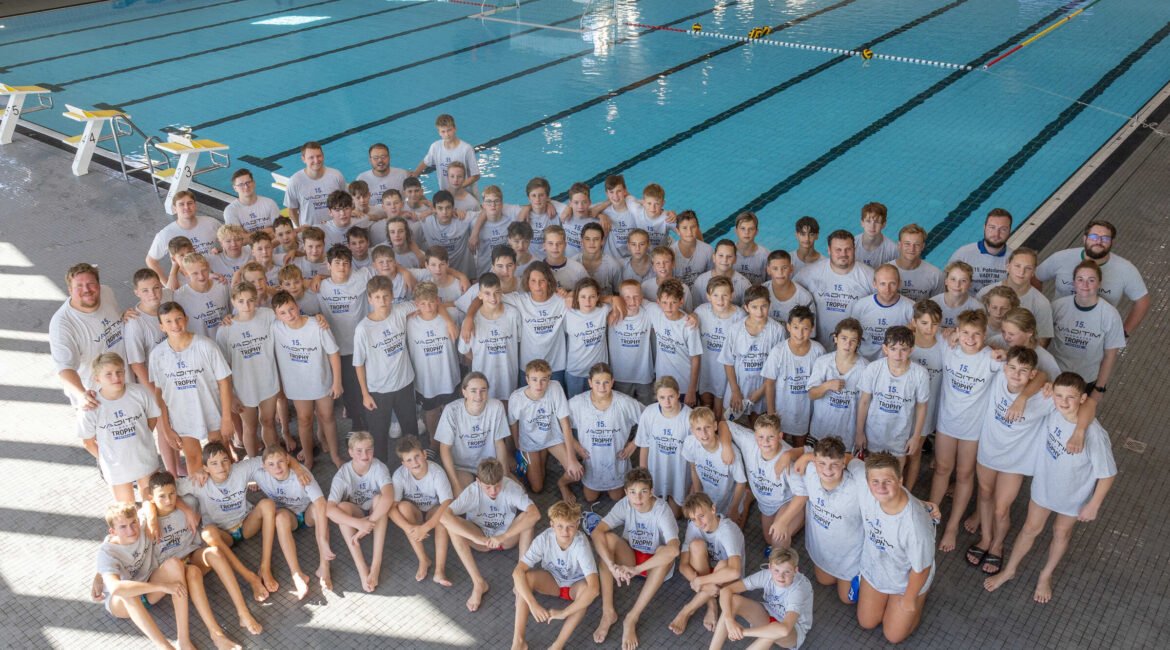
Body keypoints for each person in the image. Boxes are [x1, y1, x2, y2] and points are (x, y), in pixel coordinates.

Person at [983, 372, 1115, 603]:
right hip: (1045, 486)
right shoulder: (1053, 409)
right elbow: (1041, 383)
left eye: (1071, 397)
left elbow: (1108, 474)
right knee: (1029, 529)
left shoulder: (1094, 434)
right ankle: (1010, 569)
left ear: (1082, 399)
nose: (1064, 402)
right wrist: (1046, 388)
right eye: (1059, 395)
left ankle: (1046, 575)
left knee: (1061, 533)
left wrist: (1094, 504)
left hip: (1074, 495)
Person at [138, 470, 261, 646]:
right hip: (172, 571)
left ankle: (243, 613)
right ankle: (216, 634)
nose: (168, 500)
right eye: (162, 497)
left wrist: (204, 472)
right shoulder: (145, 521)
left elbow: (207, 482)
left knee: (215, 553)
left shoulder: (189, 503)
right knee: (193, 573)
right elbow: (118, 540)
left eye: (172, 494)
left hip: (192, 555)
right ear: (151, 498)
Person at [930, 309, 1014, 553]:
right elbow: (922, 328)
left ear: (985, 334)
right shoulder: (949, 347)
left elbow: (1021, 368)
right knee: (943, 470)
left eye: (976, 334)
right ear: (957, 332)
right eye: (964, 332)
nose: (970, 338)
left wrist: (1007, 355)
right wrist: (945, 332)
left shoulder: (992, 358)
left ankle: (952, 526)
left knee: (965, 475)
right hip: (947, 423)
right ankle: (932, 516)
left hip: (973, 429)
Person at [970, 347, 1058, 576]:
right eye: (1012, 368)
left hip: (1015, 462)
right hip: (989, 452)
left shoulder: (1044, 397)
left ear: (1032, 374)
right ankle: (986, 538)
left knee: (1001, 509)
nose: (1016, 374)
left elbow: (1077, 402)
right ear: (1005, 368)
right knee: (985, 494)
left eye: (1023, 370)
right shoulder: (999, 377)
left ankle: (998, 544)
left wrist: (1040, 389)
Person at [176, 442, 291, 600]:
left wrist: (297, 468)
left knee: (268, 504)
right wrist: (186, 510)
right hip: (223, 536)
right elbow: (163, 490)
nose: (221, 467)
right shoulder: (199, 481)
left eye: (224, 460)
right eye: (214, 463)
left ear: (230, 461)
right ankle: (250, 577)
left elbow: (273, 457)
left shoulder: (240, 469)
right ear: (206, 468)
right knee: (207, 533)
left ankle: (265, 567)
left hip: (245, 525)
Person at [856, 452, 936, 643]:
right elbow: (849, 461)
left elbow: (921, 568)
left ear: (900, 481)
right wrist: (802, 456)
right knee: (867, 622)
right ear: (867, 482)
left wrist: (909, 599)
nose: (881, 487)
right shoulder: (863, 482)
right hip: (877, 566)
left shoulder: (915, 526)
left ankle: (921, 596)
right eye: (875, 481)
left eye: (888, 481)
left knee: (893, 636)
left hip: (907, 578)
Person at [442, 458, 540, 612]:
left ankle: (520, 582)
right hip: (482, 539)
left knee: (528, 520)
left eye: (497, 486)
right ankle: (478, 582)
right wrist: (477, 538)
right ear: (478, 482)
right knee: (452, 526)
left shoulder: (511, 487)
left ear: (502, 479)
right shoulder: (472, 491)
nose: (493, 492)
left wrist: (502, 537)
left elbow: (535, 514)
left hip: (506, 538)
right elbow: (444, 517)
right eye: (487, 487)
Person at [148, 302, 233, 475]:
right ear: (161, 326)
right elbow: (159, 393)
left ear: (186, 319)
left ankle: (228, 495)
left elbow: (224, 382)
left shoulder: (206, 346)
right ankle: (201, 497)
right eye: (169, 321)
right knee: (193, 459)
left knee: (221, 456)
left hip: (211, 411)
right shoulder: (157, 355)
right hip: (182, 416)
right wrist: (165, 427)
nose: (175, 325)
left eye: (179, 319)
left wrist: (226, 418)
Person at [94, 502, 194, 649]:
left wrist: (152, 518)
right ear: (113, 531)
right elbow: (115, 588)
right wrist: (163, 586)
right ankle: (166, 647)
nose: (131, 530)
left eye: (133, 522)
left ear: (138, 519)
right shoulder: (107, 553)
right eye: (123, 527)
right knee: (127, 591)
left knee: (175, 564)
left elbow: (147, 502)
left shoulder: (142, 525)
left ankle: (184, 641)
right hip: (122, 603)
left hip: (147, 590)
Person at [783, 437, 865, 604]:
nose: (827, 470)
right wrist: (801, 455)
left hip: (850, 554)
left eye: (834, 464)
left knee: (847, 599)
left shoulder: (858, 486)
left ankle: (860, 574)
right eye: (822, 464)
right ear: (815, 461)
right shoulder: (811, 470)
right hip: (822, 547)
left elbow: (886, 490)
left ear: (844, 463)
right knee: (824, 580)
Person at [511, 501, 600, 650]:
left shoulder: (581, 545)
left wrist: (564, 613)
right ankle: (518, 641)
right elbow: (517, 572)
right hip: (552, 580)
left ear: (577, 526)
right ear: (552, 526)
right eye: (560, 526)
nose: (565, 531)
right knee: (525, 579)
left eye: (570, 526)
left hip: (575, 586)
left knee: (586, 594)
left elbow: (594, 589)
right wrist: (532, 603)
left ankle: (557, 646)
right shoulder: (544, 539)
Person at [1034, 219, 1149, 335]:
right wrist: (1040, 310)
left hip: (1095, 335)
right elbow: (1036, 277)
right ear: (1085, 238)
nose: (1099, 241)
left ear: (1112, 242)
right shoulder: (1061, 258)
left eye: (1105, 238)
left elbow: (1142, 302)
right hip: (1056, 327)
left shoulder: (1125, 269)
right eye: (1094, 237)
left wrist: (1123, 333)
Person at [270, 289, 343, 470]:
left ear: (297, 306)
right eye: (283, 313)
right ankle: (309, 457)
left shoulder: (317, 325)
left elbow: (333, 353)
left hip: (321, 380)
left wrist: (337, 381)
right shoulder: (275, 328)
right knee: (304, 420)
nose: (289, 315)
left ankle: (334, 454)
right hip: (297, 384)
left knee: (327, 416)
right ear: (276, 315)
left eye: (291, 309)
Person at [353, 274, 420, 463]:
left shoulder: (400, 311)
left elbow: (425, 302)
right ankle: (381, 472)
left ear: (392, 296)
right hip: (378, 390)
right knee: (379, 435)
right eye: (377, 297)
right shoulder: (363, 329)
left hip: (404, 384)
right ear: (370, 299)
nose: (382, 301)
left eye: (385, 296)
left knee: (410, 430)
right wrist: (365, 394)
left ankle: (413, 466)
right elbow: (358, 364)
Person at [252, 445, 333, 598]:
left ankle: (324, 567)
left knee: (319, 510)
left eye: (281, 461)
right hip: (288, 516)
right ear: (264, 467)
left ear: (288, 460)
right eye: (271, 464)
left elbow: (321, 504)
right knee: (279, 518)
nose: (277, 467)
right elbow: (233, 471)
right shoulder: (259, 474)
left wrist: (323, 541)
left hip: (307, 513)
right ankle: (297, 574)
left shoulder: (301, 475)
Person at [79, 353, 160, 503]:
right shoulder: (91, 406)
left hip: (145, 459)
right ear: (97, 379)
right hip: (116, 468)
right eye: (108, 374)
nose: (116, 377)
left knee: (152, 505)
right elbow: (88, 442)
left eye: (119, 372)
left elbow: (152, 417)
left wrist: (143, 439)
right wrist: (108, 458)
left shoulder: (139, 393)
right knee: (126, 509)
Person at [51, 263, 129, 417]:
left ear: (98, 285)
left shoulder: (106, 293)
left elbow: (116, 320)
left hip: (125, 383)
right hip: (96, 396)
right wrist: (82, 395)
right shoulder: (62, 324)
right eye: (79, 286)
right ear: (70, 290)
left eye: (91, 283)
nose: (86, 290)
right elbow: (65, 369)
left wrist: (125, 317)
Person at [215, 282, 280, 457]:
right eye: (241, 301)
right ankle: (253, 465)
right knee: (249, 427)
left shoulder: (267, 315)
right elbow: (224, 368)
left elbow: (289, 319)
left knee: (268, 421)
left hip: (267, 380)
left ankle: (273, 459)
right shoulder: (225, 330)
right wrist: (232, 395)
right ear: (233, 302)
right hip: (243, 386)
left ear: (256, 299)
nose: (247, 305)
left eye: (251, 300)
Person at [325, 431, 393, 593]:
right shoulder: (342, 474)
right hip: (357, 513)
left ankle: (375, 565)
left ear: (374, 450)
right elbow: (329, 509)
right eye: (359, 451)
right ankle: (362, 568)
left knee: (380, 499)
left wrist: (367, 524)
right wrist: (359, 524)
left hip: (374, 511)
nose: (365, 454)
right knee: (341, 508)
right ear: (350, 453)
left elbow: (389, 497)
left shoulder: (379, 467)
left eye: (369, 449)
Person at [669, 492, 745, 635]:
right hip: (705, 572)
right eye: (693, 519)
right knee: (696, 545)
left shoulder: (727, 531)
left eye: (701, 516)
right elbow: (683, 565)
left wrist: (700, 581)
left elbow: (735, 571)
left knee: (723, 564)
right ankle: (712, 604)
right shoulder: (694, 526)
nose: (698, 523)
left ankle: (687, 610)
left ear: (713, 509)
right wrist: (702, 582)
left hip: (728, 578)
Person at [565, 362, 643, 501]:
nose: (602, 387)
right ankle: (562, 483)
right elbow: (560, 424)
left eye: (606, 382)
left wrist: (634, 444)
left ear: (612, 382)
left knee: (617, 497)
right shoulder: (577, 403)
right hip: (591, 462)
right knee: (590, 498)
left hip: (616, 461)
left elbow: (649, 420)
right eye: (597, 382)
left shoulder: (625, 403)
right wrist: (576, 446)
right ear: (590, 383)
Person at [710, 546, 814, 650]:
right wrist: (729, 622)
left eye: (786, 572)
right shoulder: (767, 575)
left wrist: (741, 632)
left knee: (774, 631)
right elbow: (726, 590)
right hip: (769, 612)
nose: (780, 576)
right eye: (776, 570)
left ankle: (765, 632)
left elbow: (785, 630)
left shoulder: (799, 590)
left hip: (793, 629)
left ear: (795, 571)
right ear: (770, 568)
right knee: (733, 600)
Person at [1049, 260, 1125, 398]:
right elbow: (1043, 340)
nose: (1085, 285)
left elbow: (1109, 356)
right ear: (1074, 282)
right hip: (1053, 375)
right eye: (1080, 279)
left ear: (1099, 283)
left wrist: (1099, 389)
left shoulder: (1110, 315)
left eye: (1091, 280)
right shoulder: (1057, 307)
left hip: (1085, 381)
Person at [508, 359, 580, 501]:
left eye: (543, 379)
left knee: (576, 473)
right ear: (527, 379)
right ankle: (541, 453)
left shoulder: (555, 388)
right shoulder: (516, 398)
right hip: (529, 443)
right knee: (537, 487)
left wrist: (572, 459)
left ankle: (562, 484)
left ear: (549, 378)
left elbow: (565, 424)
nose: (539, 385)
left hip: (552, 438)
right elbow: (513, 424)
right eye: (534, 379)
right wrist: (518, 447)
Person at [855, 327, 929, 461]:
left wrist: (916, 437)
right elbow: (864, 401)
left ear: (911, 350)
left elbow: (922, 406)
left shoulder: (920, 374)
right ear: (885, 349)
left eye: (904, 349)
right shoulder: (873, 368)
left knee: (896, 476)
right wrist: (859, 432)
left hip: (900, 436)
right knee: (872, 475)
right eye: (893, 349)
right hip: (874, 434)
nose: (898, 355)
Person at [730, 414, 803, 549]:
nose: (765, 442)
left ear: (780, 437)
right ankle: (748, 497)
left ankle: (804, 514)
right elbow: (724, 425)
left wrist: (783, 522)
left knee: (778, 538)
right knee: (769, 539)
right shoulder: (748, 440)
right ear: (755, 436)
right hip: (767, 500)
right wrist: (726, 448)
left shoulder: (788, 462)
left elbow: (802, 494)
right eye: (761, 437)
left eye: (771, 437)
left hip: (788, 500)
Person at [390, 436, 454, 585]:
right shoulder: (399, 475)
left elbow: (447, 502)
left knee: (443, 515)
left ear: (424, 454)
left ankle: (439, 570)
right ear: (404, 464)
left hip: (433, 510)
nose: (415, 462)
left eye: (417, 456)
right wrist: (410, 528)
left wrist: (426, 527)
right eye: (409, 460)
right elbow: (391, 508)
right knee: (402, 507)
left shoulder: (437, 472)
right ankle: (423, 559)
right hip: (415, 513)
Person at [794, 229, 875, 347]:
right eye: (838, 249)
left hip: (853, 348)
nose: (843, 254)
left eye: (848, 249)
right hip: (818, 346)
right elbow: (790, 295)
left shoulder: (869, 276)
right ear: (828, 250)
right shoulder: (810, 273)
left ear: (854, 249)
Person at [435, 372, 510, 494]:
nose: (478, 396)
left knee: (514, 492)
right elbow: (444, 449)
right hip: (462, 468)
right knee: (461, 499)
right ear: (464, 392)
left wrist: (505, 478)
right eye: (473, 391)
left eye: (483, 390)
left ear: (488, 390)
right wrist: (455, 484)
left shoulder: (497, 406)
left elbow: (499, 444)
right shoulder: (451, 410)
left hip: (489, 466)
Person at [762, 305, 825, 448]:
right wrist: (771, 412)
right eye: (796, 327)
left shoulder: (818, 351)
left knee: (799, 447)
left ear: (812, 329)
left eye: (805, 328)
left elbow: (819, 385)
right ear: (788, 327)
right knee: (778, 447)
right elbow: (769, 382)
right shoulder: (778, 351)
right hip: (781, 410)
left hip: (804, 411)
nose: (800, 333)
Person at [406, 281, 461, 442]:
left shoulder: (451, 315)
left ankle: (453, 441)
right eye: (423, 304)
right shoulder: (409, 322)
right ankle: (433, 441)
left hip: (449, 375)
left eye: (431, 302)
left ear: (438, 300)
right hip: (427, 380)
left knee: (451, 410)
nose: (428, 307)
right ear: (416, 304)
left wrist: (449, 321)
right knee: (431, 412)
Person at [721, 284, 782, 421]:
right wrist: (735, 390)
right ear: (746, 307)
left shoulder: (777, 330)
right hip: (737, 384)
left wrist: (761, 392)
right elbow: (728, 362)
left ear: (769, 305)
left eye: (763, 306)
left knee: (757, 427)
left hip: (763, 386)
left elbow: (777, 367)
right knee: (726, 423)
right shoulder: (735, 329)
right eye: (754, 307)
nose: (759, 312)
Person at [634, 377, 694, 518]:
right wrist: (644, 476)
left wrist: (694, 484)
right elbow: (644, 445)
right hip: (656, 469)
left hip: (679, 472)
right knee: (655, 510)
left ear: (679, 394)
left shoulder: (689, 416)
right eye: (662, 397)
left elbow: (695, 455)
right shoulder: (649, 413)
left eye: (671, 397)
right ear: (657, 397)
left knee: (676, 515)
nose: (667, 402)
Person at [459, 272, 522, 401]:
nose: (493, 298)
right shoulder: (471, 321)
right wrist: (481, 357)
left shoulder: (513, 314)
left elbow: (519, 342)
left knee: (507, 407)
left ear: (501, 292)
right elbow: (465, 351)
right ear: (479, 295)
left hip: (508, 376)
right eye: (487, 293)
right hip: (483, 379)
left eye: (496, 292)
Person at [807, 319, 868, 451]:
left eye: (853, 340)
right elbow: (811, 394)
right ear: (835, 338)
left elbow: (866, 404)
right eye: (844, 338)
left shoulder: (865, 368)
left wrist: (860, 433)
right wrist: (827, 385)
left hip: (848, 434)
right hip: (821, 430)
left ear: (858, 342)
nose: (848, 344)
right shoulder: (823, 362)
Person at [977, 248, 1053, 345]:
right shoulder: (985, 293)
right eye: (1017, 266)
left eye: (1028, 268)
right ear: (1008, 267)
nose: (1021, 272)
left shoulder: (1042, 304)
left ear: (1034, 271)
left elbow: (1041, 343)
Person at [907, 300, 945, 491]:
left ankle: (908, 490)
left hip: (928, 409)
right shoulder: (905, 341)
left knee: (915, 453)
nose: (929, 328)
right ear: (914, 322)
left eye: (935, 323)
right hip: (904, 407)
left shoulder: (945, 344)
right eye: (924, 323)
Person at [647, 279, 703, 406]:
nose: (669, 307)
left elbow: (696, 359)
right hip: (662, 384)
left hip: (684, 386)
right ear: (658, 302)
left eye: (673, 302)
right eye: (665, 303)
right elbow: (634, 299)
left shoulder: (689, 326)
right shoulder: (655, 312)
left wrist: (692, 390)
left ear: (681, 301)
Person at [684, 407, 747, 520]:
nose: (704, 433)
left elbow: (741, 482)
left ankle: (747, 499)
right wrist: (698, 495)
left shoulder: (732, 453)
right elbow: (693, 469)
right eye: (698, 429)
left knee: (733, 527)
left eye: (707, 427)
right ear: (692, 431)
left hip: (728, 497)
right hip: (706, 494)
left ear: (715, 426)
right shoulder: (690, 443)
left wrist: (734, 508)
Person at [697, 276, 745, 420]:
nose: (720, 300)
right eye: (716, 295)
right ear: (708, 296)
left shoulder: (739, 316)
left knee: (720, 412)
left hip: (726, 371)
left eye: (725, 295)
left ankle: (718, 434)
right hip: (706, 367)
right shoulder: (701, 311)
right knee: (706, 403)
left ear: (732, 295)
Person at [146, 191, 222, 280]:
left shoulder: (211, 223)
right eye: (181, 204)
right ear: (175, 209)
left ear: (195, 206)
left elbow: (228, 240)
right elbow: (151, 260)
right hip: (185, 283)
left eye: (190, 203)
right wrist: (166, 283)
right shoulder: (165, 234)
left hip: (212, 278)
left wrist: (221, 251)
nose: (186, 207)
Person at [848, 264, 914, 361]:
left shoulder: (910, 308)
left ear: (899, 284)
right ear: (874, 284)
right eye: (882, 284)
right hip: (863, 361)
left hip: (895, 363)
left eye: (892, 283)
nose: (887, 289)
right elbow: (851, 334)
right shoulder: (861, 305)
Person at [608, 280, 656, 405]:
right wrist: (613, 299)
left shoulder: (648, 313)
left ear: (642, 298)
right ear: (620, 298)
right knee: (624, 412)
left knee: (646, 411)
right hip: (620, 376)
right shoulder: (610, 312)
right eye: (627, 297)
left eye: (636, 297)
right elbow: (595, 299)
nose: (632, 301)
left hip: (644, 375)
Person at [563, 277, 612, 397]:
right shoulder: (568, 313)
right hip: (575, 372)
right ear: (577, 298)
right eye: (583, 297)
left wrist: (614, 298)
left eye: (592, 296)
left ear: (598, 296)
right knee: (575, 409)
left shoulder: (604, 310)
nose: (588, 301)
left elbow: (619, 300)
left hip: (599, 372)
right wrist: (569, 294)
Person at [947, 208, 1013, 292]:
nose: (996, 234)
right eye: (992, 227)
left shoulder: (1014, 259)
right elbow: (947, 283)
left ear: (1009, 230)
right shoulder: (963, 255)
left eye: (1003, 229)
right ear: (984, 227)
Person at [413, 113, 480, 196]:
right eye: (443, 131)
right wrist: (414, 174)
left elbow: (476, 175)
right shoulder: (435, 147)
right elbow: (426, 162)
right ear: (439, 132)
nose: (447, 134)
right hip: (447, 196)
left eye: (449, 130)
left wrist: (457, 188)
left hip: (467, 195)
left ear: (455, 129)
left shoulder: (466, 149)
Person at [284, 141, 347, 227]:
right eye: (311, 157)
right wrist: (301, 228)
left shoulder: (336, 176)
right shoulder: (295, 182)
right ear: (303, 159)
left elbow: (347, 202)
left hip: (335, 229)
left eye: (319, 156)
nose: (316, 160)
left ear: (323, 156)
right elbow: (291, 210)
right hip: (310, 234)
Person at [173, 253, 231, 339]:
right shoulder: (179, 296)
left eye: (203, 270)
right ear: (186, 274)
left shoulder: (222, 285)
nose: (201, 276)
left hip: (226, 341)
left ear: (208, 266)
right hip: (201, 347)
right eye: (195, 273)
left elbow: (233, 312)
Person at [422, 190, 475, 278]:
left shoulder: (462, 218)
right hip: (439, 273)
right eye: (440, 208)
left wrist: (475, 235)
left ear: (453, 208)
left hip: (464, 273)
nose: (444, 212)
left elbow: (485, 212)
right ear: (434, 209)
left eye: (448, 208)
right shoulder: (426, 220)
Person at [468, 185, 517, 275]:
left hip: (506, 271)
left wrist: (548, 203)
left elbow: (529, 208)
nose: (493, 205)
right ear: (483, 204)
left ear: (502, 203)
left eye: (496, 201)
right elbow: (452, 215)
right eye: (488, 201)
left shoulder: (510, 219)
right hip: (485, 271)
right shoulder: (473, 221)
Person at [892, 224, 943, 302]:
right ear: (899, 244)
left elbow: (938, 305)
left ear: (922, 246)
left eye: (917, 245)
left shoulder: (935, 275)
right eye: (907, 244)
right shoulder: (885, 271)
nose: (912, 249)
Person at [693, 239, 752, 306]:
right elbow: (695, 309)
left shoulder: (744, 285)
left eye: (729, 256)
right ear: (714, 257)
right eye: (721, 255)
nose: (725, 260)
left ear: (735, 259)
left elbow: (747, 312)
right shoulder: (700, 282)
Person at [765, 250, 814, 324]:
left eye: (784, 268)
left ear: (791, 268)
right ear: (768, 270)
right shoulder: (761, 292)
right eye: (775, 268)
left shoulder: (804, 298)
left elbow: (810, 332)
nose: (780, 273)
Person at [573, 221, 623, 295]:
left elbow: (617, 294)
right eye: (587, 239)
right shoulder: (573, 263)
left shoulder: (613, 265)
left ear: (602, 241)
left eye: (596, 239)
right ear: (582, 241)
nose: (592, 243)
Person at [931, 260, 984, 329]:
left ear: (970, 284)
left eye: (963, 281)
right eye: (953, 279)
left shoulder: (977, 308)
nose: (957, 285)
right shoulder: (933, 304)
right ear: (946, 281)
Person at [225, 169, 279, 235]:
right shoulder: (230, 210)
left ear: (254, 183)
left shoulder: (269, 203)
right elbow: (239, 239)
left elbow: (280, 231)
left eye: (248, 182)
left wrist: (247, 235)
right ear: (235, 188)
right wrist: (269, 230)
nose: (246, 187)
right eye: (241, 184)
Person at [358, 143, 409, 212]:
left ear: (389, 158)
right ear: (370, 160)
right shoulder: (362, 179)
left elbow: (414, 196)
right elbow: (356, 204)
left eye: (383, 156)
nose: (380, 160)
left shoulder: (403, 175)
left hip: (398, 217)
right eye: (376, 158)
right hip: (373, 219)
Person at [670, 209, 714, 286]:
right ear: (677, 231)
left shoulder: (708, 250)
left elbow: (712, 278)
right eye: (684, 228)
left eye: (693, 227)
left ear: (698, 228)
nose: (689, 232)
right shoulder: (670, 253)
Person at [854, 202, 899, 269]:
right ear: (862, 223)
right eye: (868, 221)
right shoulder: (852, 244)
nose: (872, 226)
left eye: (877, 222)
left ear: (884, 224)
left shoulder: (893, 250)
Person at [732, 212, 771, 285]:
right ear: (736, 231)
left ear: (756, 231)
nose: (746, 232)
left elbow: (771, 283)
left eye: (751, 229)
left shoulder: (765, 255)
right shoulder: (728, 253)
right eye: (742, 228)